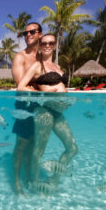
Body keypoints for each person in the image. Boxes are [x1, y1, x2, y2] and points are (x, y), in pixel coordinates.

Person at [17, 34, 78, 185]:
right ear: (39, 45)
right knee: (39, 150)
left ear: (55, 45)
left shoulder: (58, 67)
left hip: (58, 112)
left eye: (51, 43)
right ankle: (35, 182)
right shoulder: (37, 66)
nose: (47, 45)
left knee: (72, 148)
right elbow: (21, 86)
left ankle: (54, 179)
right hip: (44, 111)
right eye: (44, 43)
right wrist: (42, 94)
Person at [11, 22, 43, 194]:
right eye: (25, 33)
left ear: (40, 34)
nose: (28, 35)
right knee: (21, 146)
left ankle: (29, 177)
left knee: (33, 146)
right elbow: (21, 85)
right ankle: (16, 182)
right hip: (24, 107)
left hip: (39, 108)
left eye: (32, 32)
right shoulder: (20, 58)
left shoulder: (42, 57)